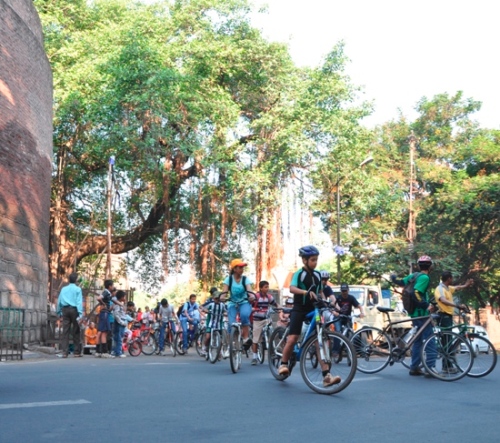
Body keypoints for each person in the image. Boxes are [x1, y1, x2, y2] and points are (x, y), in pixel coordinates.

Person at [277, 246, 341, 387]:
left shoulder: (318, 275)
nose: (315, 262)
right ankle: (283, 364)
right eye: (312, 260)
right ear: (305, 260)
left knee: (319, 340)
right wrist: (305, 292)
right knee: (293, 338)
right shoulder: (299, 274)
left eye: (316, 260)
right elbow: (292, 288)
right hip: (299, 309)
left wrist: (327, 303)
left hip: (313, 309)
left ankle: (326, 376)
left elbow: (320, 292)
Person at [391, 255, 437, 377]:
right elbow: (416, 292)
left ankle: (414, 367)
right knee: (430, 340)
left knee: (418, 341)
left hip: (413, 313)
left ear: (419, 265)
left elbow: (401, 282)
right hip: (422, 314)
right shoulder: (424, 278)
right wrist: (426, 305)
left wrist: (393, 278)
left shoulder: (414, 276)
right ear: (430, 266)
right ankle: (430, 368)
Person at [435, 272, 472, 373]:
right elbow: (442, 300)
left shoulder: (447, 288)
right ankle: (446, 367)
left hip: (448, 316)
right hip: (443, 316)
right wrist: (456, 305)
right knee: (446, 341)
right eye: (452, 278)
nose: (453, 280)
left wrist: (465, 285)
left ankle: (448, 365)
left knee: (448, 340)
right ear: (449, 279)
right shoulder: (440, 289)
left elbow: (456, 288)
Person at [222, 258, 254, 347]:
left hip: (244, 302)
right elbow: (224, 292)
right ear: (234, 269)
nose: (242, 270)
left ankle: (245, 338)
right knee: (231, 324)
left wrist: (251, 296)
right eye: (240, 268)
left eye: (242, 268)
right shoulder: (228, 279)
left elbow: (249, 291)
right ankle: (231, 344)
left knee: (244, 315)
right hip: (232, 303)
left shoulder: (245, 279)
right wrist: (222, 297)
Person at [57, 272, 83, 358]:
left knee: (65, 331)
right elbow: (79, 302)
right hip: (74, 310)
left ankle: (65, 352)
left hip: (65, 309)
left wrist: (59, 312)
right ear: (76, 280)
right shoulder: (78, 289)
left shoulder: (63, 289)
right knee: (76, 331)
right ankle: (76, 352)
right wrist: (80, 313)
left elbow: (59, 301)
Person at [251, 281, 278, 365]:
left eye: (268, 287)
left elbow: (276, 304)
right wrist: (252, 309)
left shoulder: (269, 297)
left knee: (272, 332)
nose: (267, 288)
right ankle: (254, 357)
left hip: (266, 318)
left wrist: (280, 308)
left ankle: (272, 348)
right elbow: (250, 305)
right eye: (265, 287)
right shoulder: (256, 296)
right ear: (261, 288)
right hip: (257, 320)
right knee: (255, 339)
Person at [201, 291, 227, 357]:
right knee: (207, 337)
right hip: (210, 323)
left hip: (219, 323)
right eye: (216, 298)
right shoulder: (210, 304)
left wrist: (225, 314)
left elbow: (226, 311)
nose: (217, 300)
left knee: (221, 339)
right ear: (213, 298)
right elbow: (201, 307)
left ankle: (219, 351)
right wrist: (205, 310)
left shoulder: (223, 305)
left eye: (218, 298)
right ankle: (204, 348)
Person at [95, 279, 114, 358]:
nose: (113, 287)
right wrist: (103, 304)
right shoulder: (106, 292)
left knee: (102, 332)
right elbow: (99, 298)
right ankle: (104, 352)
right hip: (105, 313)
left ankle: (101, 351)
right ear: (109, 286)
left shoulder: (107, 293)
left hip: (104, 313)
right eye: (112, 285)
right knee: (104, 332)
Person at [111, 290, 128, 358]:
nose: (125, 298)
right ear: (121, 297)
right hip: (119, 323)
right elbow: (116, 315)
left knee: (118, 337)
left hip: (120, 322)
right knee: (119, 338)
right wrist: (122, 322)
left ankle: (116, 351)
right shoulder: (118, 305)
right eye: (124, 296)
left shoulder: (121, 303)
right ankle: (118, 352)